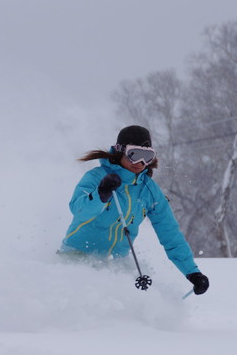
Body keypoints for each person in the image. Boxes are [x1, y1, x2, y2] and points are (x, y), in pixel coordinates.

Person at [60, 125, 209, 295]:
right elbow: (78, 210)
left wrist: (192, 272)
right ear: (120, 151)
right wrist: (101, 194)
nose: (140, 163)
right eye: (134, 154)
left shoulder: (149, 190)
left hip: (114, 265)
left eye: (147, 156)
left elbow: (170, 233)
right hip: (76, 259)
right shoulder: (96, 177)